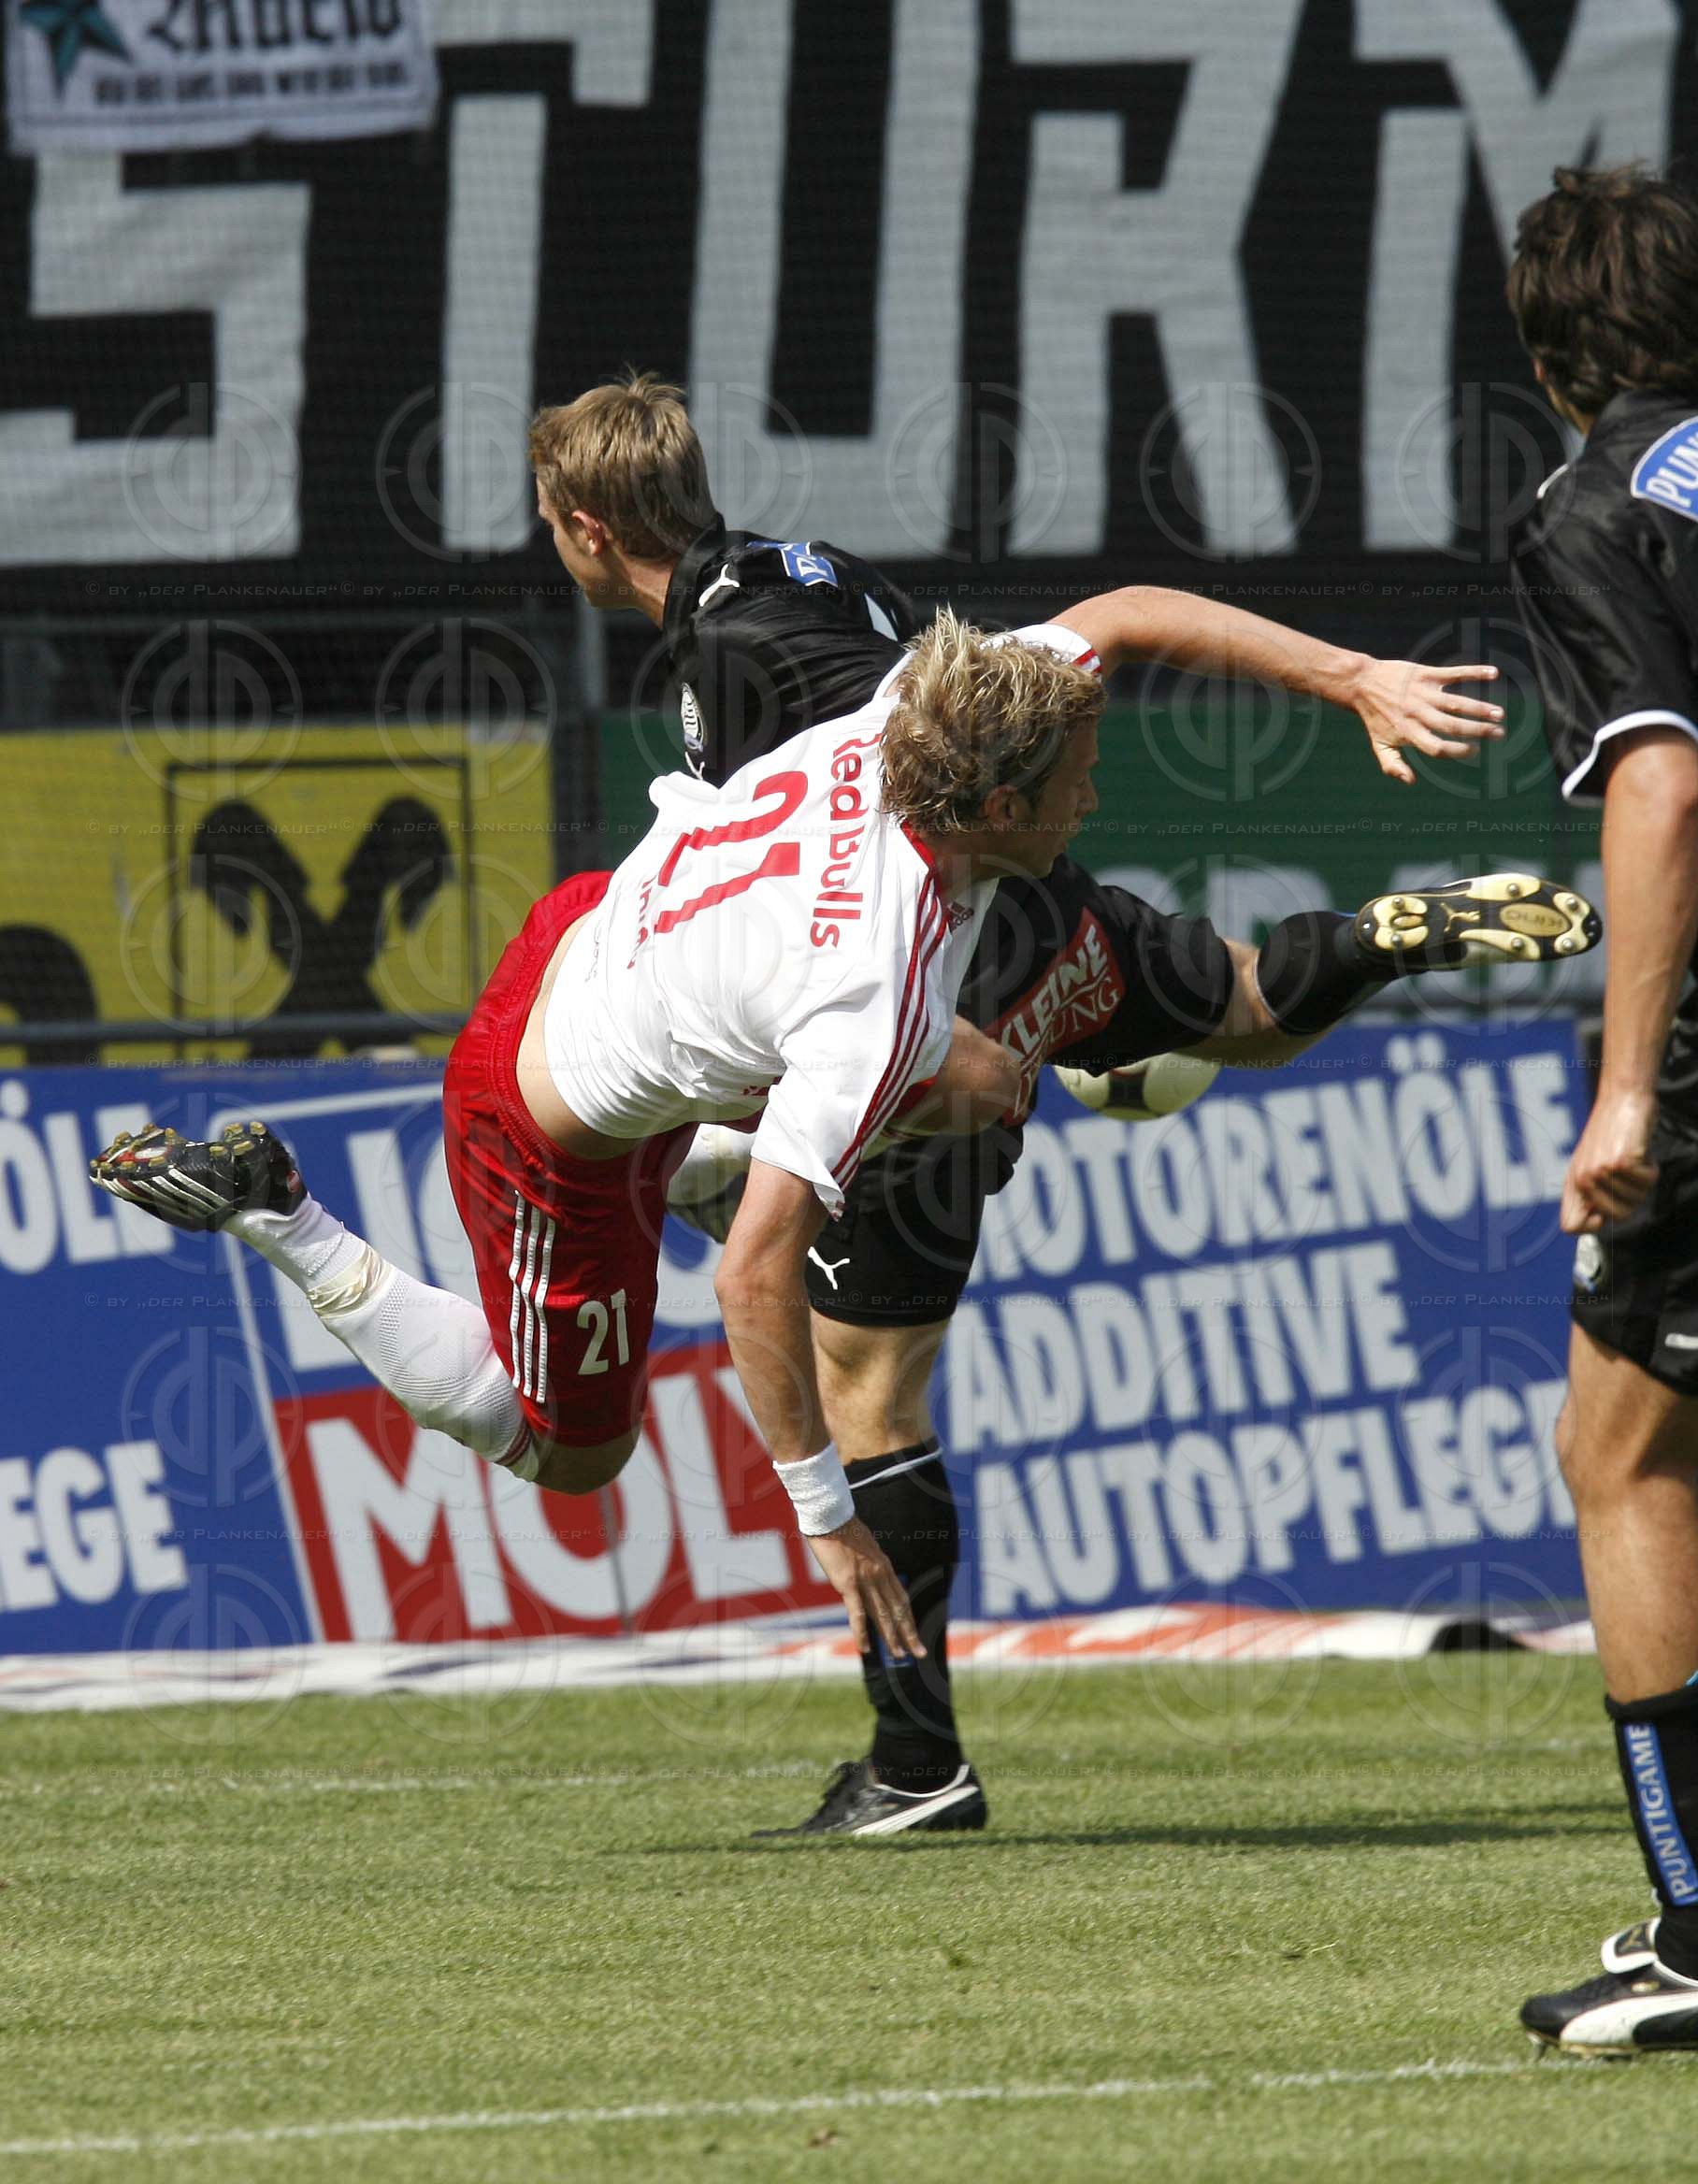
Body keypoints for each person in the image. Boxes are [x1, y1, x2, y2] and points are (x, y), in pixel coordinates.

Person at [524, 373, 1590, 1836]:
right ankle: (1371, 936)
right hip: (1031, 893)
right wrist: (1352, 678)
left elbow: (797, 925)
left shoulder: (724, 657)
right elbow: (1131, 610)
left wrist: (955, 1074)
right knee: (1238, 1007)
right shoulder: (798, 569)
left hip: (935, 973)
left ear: (584, 526)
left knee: (869, 1389)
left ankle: (915, 1769)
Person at [1500, 165, 1698, 2056]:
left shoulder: (1586, 507)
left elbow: (1655, 787)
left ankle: (1695, 1930)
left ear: (1551, 351)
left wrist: (1625, 1080)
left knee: (1619, 1455)